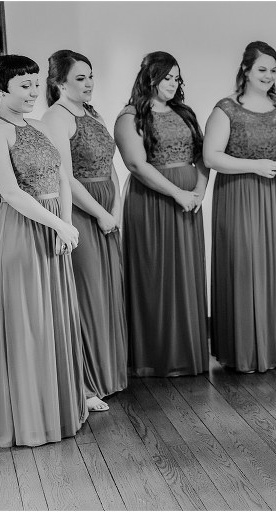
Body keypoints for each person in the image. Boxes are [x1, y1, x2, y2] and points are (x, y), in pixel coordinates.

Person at [0, 55, 88, 447]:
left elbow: (62, 178)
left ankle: (61, 408)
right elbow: (9, 192)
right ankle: (33, 419)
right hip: (23, 230)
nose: (33, 92)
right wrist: (58, 224)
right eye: (23, 86)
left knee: (55, 320)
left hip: (56, 226)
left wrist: (66, 225)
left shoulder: (39, 125)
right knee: (30, 324)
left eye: (35, 84)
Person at [204, 41, 276, 373]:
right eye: (262, 69)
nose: (268, 75)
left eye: (273, 69)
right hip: (239, 196)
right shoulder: (226, 108)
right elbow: (211, 157)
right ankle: (244, 352)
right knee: (245, 267)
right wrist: (254, 166)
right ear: (246, 70)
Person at [114, 51, 208, 377]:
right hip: (153, 200)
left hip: (188, 199)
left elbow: (202, 155)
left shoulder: (184, 112)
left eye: (176, 78)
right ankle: (156, 356)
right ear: (149, 77)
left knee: (186, 272)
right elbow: (136, 165)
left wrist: (199, 191)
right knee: (156, 274)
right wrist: (178, 193)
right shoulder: (131, 116)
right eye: (166, 77)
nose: (173, 83)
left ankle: (187, 353)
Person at [43, 50, 127, 412]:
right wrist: (99, 215)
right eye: (80, 78)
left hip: (108, 210)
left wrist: (117, 208)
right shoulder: (55, 118)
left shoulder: (93, 113)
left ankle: (110, 375)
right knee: (89, 294)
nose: (89, 83)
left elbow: (111, 166)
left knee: (109, 291)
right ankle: (87, 383)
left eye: (91, 76)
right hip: (82, 213)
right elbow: (67, 178)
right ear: (59, 82)